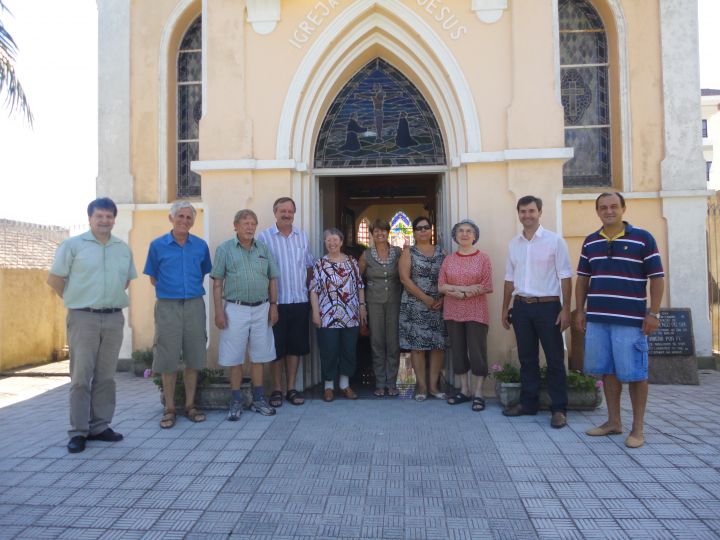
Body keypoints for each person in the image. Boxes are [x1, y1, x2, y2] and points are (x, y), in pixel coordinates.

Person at [47, 197, 137, 453]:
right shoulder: (73, 246)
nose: (104, 221)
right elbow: (55, 280)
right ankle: (78, 431)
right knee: (80, 377)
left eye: (109, 216)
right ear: (90, 218)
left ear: (114, 219)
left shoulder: (122, 248)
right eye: (99, 216)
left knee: (106, 376)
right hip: (82, 317)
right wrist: (78, 300)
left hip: (113, 318)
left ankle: (100, 426)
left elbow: (126, 281)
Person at [575, 192, 664, 448]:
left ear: (624, 208)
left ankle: (638, 429)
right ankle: (613, 422)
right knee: (608, 371)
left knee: (636, 373)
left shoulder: (643, 239)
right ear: (597, 211)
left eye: (614, 206)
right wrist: (579, 311)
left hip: (631, 320)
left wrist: (654, 313)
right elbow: (583, 279)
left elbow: (657, 277)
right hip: (599, 319)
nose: (609, 211)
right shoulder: (591, 242)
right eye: (603, 207)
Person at [500, 196, 573, 428]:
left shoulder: (554, 241)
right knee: (527, 359)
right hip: (521, 307)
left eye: (531, 211)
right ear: (518, 213)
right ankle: (528, 404)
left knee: (554, 360)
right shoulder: (514, 244)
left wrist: (566, 310)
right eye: (523, 211)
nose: (527, 215)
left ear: (540, 212)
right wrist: (505, 308)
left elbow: (565, 277)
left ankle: (559, 408)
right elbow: (509, 280)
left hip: (549, 307)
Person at [143, 201, 212, 429]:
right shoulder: (157, 246)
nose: (184, 221)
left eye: (188, 217)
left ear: (193, 221)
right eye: (180, 216)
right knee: (167, 358)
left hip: (194, 305)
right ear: (171, 219)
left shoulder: (200, 246)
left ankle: (191, 406)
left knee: (194, 357)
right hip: (167, 306)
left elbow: (203, 271)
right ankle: (169, 408)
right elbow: (153, 277)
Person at [211, 209, 279, 420]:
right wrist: (218, 312)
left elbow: (273, 279)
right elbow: (217, 283)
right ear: (236, 226)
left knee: (259, 356)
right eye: (245, 223)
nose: (250, 228)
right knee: (235, 357)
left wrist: (274, 306)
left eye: (253, 224)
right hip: (235, 309)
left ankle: (258, 399)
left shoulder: (264, 249)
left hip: (262, 308)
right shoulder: (225, 249)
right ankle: (236, 400)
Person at [258, 197, 315, 407]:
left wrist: (310, 296)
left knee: (295, 348)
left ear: (294, 213)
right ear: (275, 212)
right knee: (277, 349)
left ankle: (291, 388)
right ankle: (276, 389)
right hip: (277, 302)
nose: (286, 214)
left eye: (290, 211)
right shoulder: (264, 237)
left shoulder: (302, 236)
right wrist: (269, 302)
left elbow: (309, 266)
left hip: (299, 300)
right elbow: (261, 271)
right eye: (282, 211)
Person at [439, 219, 493, 411]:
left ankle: (478, 392)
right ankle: (464, 389)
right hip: (453, 312)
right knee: (459, 351)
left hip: (477, 312)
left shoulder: (483, 258)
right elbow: (441, 285)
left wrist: (460, 291)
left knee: (477, 352)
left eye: (469, 231)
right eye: (461, 231)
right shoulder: (448, 260)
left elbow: (486, 285)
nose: (464, 234)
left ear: (475, 236)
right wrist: (463, 290)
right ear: (455, 236)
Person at [310, 228, 367, 402]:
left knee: (348, 350)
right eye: (329, 241)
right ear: (325, 243)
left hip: (350, 315)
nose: (332, 243)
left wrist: (362, 307)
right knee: (329, 351)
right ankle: (328, 386)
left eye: (335, 240)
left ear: (341, 242)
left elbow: (359, 286)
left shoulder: (351, 262)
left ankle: (344, 385)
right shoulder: (320, 264)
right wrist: (315, 313)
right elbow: (313, 290)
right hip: (327, 315)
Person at [399, 216, 447, 401]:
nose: (423, 231)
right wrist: (425, 298)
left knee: (437, 346)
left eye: (426, 227)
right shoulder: (408, 252)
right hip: (415, 305)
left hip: (439, 305)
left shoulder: (442, 252)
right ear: (414, 232)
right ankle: (421, 386)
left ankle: (434, 387)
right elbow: (404, 279)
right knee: (417, 347)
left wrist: (442, 298)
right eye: (419, 228)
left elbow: (449, 277)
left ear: (431, 230)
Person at [359, 219, 403, 397]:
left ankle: (392, 382)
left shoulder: (398, 253)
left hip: (395, 302)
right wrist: (361, 305)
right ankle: (379, 383)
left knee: (393, 342)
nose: (380, 234)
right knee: (377, 342)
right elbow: (357, 280)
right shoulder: (366, 255)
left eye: (383, 231)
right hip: (374, 302)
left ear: (388, 232)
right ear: (372, 233)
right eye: (376, 231)